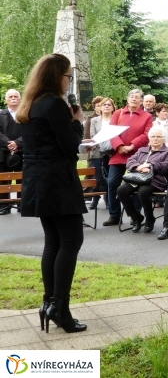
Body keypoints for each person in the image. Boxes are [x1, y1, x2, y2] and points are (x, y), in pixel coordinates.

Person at [16, 53, 87, 334]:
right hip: (57, 181)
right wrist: (77, 122)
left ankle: (50, 303)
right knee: (70, 240)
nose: (69, 82)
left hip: (38, 180)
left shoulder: (31, 103)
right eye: (68, 76)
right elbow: (69, 146)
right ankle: (60, 308)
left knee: (53, 241)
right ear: (57, 76)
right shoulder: (54, 104)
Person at [104, 89, 153, 226]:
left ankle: (135, 214)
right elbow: (111, 132)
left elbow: (146, 135)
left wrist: (132, 146)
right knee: (112, 183)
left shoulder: (147, 116)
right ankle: (114, 215)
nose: (134, 99)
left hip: (136, 155)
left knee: (136, 184)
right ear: (127, 98)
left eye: (137, 97)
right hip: (118, 154)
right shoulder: (118, 113)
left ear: (141, 101)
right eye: (132, 96)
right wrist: (119, 146)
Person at [116, 127, 168, 233]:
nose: (155, 139)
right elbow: (129, 161)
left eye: (158, 137)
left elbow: (167, 166)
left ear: (163, 139)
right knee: (121, 190)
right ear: (149, 138)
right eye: (153, 136)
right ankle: (136, 217)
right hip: (137, 179)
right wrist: (138, 167)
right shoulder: (142, 150)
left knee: (143, 191)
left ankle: (149, 218)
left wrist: (150, 165)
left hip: (155, 180)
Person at [87, 97, 115, 209]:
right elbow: (93, 136)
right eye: (104, 105)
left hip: (112, 153)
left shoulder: (116, 120)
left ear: (113, 107)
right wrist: (103, 148)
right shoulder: (94, 120)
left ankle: (108, 199)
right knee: (98, 176)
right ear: (101, 108)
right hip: (98, 152)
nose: (107, 106)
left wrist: (110, 148)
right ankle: (95, 198)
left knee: (110, 177)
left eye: (109, 104)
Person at [0, 88, 24, 214]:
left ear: (20, 99)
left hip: (22, 151)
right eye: (10, 97)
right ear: (6, 100)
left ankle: (22, 204)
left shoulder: (25, 114)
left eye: (16, 96)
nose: (13, 98)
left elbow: (29, 131)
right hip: (4, 152)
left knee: (23, 178)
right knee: (4, 179)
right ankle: (4, 206)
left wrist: (17, 143)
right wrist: (9, 143)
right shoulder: (1, 114)